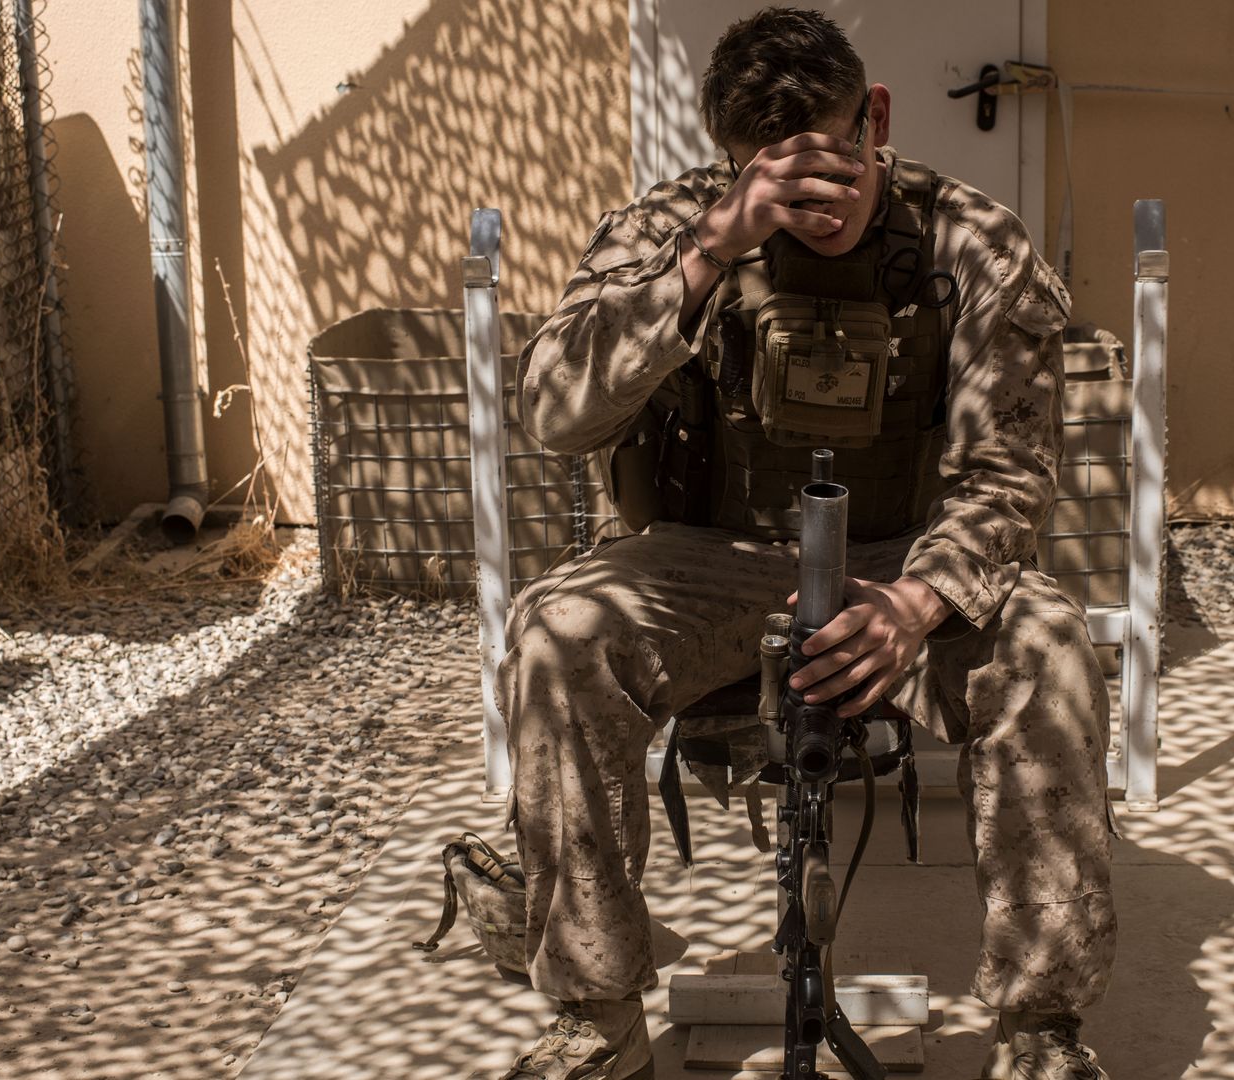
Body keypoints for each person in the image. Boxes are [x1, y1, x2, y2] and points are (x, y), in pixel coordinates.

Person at [491, 8, 1116, 1078]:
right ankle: (598, 1015)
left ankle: (1041, 1031)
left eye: (834, 168)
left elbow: (1008, 473)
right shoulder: (673, 225)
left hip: (906, 559)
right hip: (712, 560)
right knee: (557, 630)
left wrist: (919, 606)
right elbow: (551, 414)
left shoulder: (966, 239)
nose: (815, 210)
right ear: (730, 161)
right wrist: (709, 252)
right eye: (777, 181)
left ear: (874, 118)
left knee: (1047, 648)